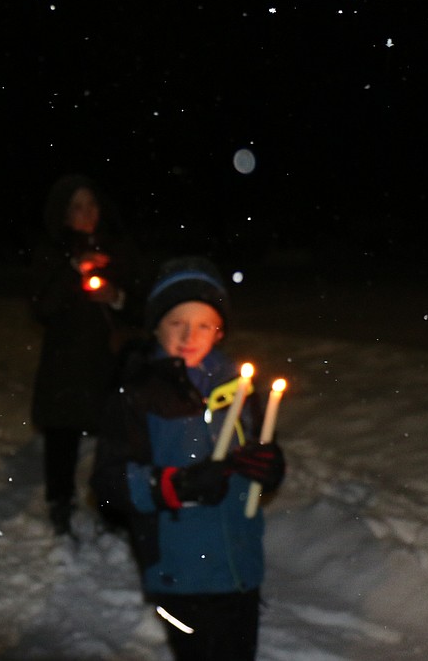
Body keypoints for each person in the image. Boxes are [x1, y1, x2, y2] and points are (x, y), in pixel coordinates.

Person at [90, 256, 286, 661]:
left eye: (203, 324)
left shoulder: (241, 388)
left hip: (240, 569)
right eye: (176, 322)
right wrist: (174, 485)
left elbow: (261, 449)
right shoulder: (139, 393)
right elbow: (109, 486)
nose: (188, 335)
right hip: (180, 574)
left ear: (219, 331)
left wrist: (270, 468)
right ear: (156, 325)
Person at [30, 174, 145, 537]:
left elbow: (141, 305)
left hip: (108, 360)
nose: (86, 213)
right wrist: (72, 272)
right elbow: (42, 308)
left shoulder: (119, 249)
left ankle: (111, 504)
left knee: (113, 436)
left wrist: (116, 297)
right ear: (64, 214)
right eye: (77, 207)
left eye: (91, 204)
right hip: (65, 360)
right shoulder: (52, 252)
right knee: (63, 432)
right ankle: (60, 501)